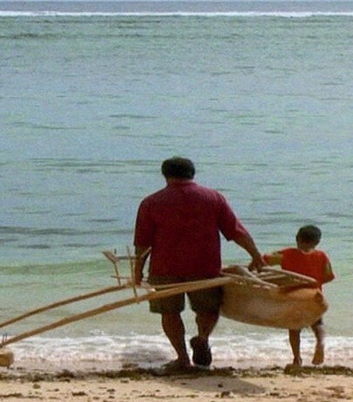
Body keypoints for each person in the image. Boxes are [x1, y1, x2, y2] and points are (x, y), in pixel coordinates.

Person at [133, 157, 265, 371]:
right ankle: (203, 337)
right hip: (204, 266)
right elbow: (235, 230)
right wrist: (255, 255)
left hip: (165, 268)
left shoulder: (151, 202)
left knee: (170, 312)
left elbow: (143, 244)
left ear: (165, 175)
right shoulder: (213, 198)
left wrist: (137, 272)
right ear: (192, 174)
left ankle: (182, 358)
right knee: (208, 309)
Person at [264, 224, 335, 367]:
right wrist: (316, 282)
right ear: (317, 242)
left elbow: (264, 260)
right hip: (314, 296)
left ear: (297, 238)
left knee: (294, 328)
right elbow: (329, 276)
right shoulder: (322, 256)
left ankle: (297, 359)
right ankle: (320, 343)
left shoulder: (286, 254)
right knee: (318, 324)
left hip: (294, 297)